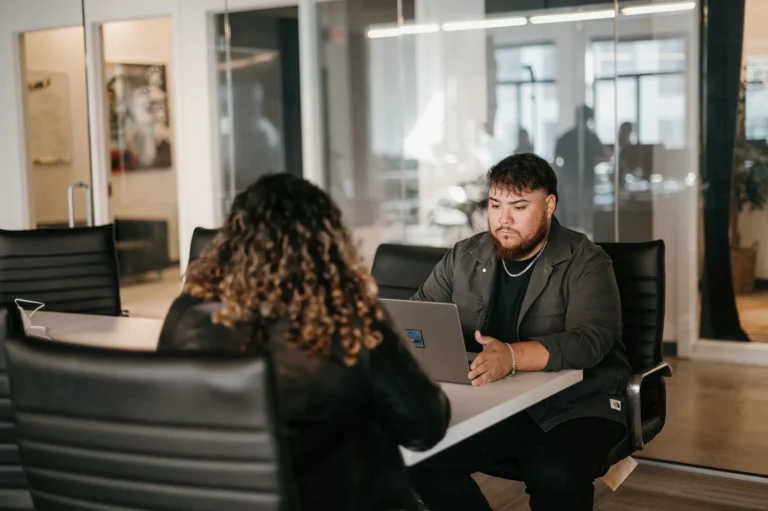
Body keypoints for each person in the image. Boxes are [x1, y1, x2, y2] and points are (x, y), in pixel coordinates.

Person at [158, 174, 450, 511]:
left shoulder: (185, 313)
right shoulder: (348, 319)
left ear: (232, 239)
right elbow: (425, 428)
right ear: (326, 242)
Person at [410, 153, 632, 511]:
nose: (503, 219)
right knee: (422, 457)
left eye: (518, 206)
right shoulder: (465, 256)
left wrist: (511, 356)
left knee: (555, 476)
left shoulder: (586, 260)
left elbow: (591, 340)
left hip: (575, 403)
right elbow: (419, 318)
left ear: (548, 206)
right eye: (495, 205)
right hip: (496, 403)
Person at [554, 105, 609, 232]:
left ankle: (571, 245)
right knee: (586, 217)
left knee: (572, 216)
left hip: (570, 180)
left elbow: (557, 160)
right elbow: (605, 154)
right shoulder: (590, 136)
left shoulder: (566, 137)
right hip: (583, 181)